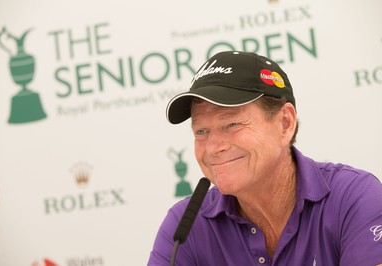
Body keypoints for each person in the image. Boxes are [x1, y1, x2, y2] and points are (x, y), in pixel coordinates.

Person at [148, 51, 382, 265]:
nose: (213, 147)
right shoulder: (184, 226)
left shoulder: (354, 198)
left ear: (285, 123)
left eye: (231, 124)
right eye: (201, 131)